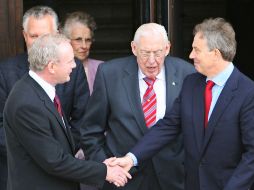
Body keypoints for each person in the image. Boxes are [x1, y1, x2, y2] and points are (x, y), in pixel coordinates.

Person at [112, 18, 254, 190]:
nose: (191, 55)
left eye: (196, 50)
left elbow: (252, 154)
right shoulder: (191, 83)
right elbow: (168, 126)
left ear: (215, 54)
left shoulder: (247, 92)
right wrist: (131, 158)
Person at [3, 33, 131, 190]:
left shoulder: (40, 91)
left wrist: (100, 165)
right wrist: (104, 171)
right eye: (70, 61)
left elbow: (60, 152)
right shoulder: (27, 104)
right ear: (51, 66)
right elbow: (54, 161)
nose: (74, 65)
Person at [80, 23, 195, 190]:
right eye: (145, 53)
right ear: (134, 48)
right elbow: (90, 131)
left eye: (157, 53)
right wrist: (106, 167)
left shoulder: (187, 74)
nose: (151, 61)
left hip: (172, 178)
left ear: (167, 48)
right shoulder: (110, 73)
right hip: (123, 180)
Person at [0, 6, 89, 190]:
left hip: (64, 172)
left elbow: (83, 119)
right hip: (22, 172)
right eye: (34, 36)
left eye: (46, 36)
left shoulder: (72, 68)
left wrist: (58, 155)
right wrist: (39, 151)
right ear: (24, 36)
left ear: (57, 35)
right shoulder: (5, 72)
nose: (40, 42)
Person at [62, 11, 103, 94]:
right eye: (78, 39)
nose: (84, 46)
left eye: (88, 40)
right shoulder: (56, 68)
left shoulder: (101, 68)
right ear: (65, 40)